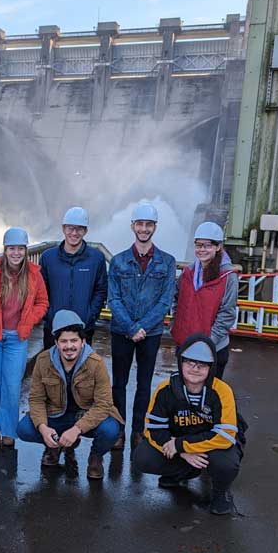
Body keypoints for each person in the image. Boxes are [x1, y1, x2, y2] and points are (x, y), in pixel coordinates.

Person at [131, 336, 244, 515]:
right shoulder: (165, 390)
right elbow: (153, 429)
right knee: (142, 457)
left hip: (210, 446)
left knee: (226, 464)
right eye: (190, 362)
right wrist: (183, 452)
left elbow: (225, 436)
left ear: (211, 367)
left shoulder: (222, 391)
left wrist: (180, 444)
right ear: (181, 362)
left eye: (202, 364)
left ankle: (221, 491)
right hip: (179, 445)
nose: (195, 368)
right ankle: (184, 471)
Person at [17, 310, 123, 479]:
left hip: (85, 416)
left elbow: (104, 404)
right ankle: (54, 445)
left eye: (74, 340)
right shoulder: (43, 361)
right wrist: (43, 428)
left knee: (111, 430)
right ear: (56, 343)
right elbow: (36, 399)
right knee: (24, 429)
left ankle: (95, 457)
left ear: (83, 341)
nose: (69, 346)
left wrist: (77, 429)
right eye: (63, 341)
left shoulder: (96, 364)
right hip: (56, 415)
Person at [0, 227, 48, 447]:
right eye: (11, 248)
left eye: (20, 249)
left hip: (17, 338)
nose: (16, 253)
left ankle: (9, 429)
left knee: (12, 384)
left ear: (25, 250)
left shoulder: (34, 274)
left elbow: (43, 302)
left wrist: (30, 319)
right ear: (5, 249)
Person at [108, 202, 177, 450]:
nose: (144, 229)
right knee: (119, 383)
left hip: (150, 333)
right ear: (133, 226)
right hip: (121, 332)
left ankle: (138, 430)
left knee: (144, 384)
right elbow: (113, 299)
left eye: (149, 225)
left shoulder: (167, 262)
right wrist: (130, 327)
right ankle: (118, 430)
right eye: (140, 224)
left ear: (155, 227)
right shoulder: (118, 262)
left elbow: (165, 301)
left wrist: (142, 327)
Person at [170, 222, 238, 379]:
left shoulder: (228, 276)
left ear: (218, 246)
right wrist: (176, 326)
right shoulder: (188, 273)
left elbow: (227, 313)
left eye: (207, 245)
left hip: (213, 349)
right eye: (198, 245)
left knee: (208, 396)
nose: (202, 250)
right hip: (186, 345)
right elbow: (177, 300)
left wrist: (207, 343)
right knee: (184, 395)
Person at [39, 206, 107, 349]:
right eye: (70, 228)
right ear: (63, 229)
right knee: (52, 370)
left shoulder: (96, 258)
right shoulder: (48, 257)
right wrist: (49, 315)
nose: (74, 233)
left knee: (81, 370)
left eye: (79, 229)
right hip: (53, 329)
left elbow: (100, 290)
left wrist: (90, 316)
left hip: (83, 330)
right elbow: (40, 291)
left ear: (85, 231)